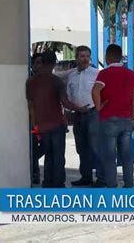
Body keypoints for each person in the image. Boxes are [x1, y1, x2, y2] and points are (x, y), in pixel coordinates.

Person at [26, 50, 89, 188]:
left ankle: (47, 182)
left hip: (41, 125)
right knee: (58, 157)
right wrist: (81, 109)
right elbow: (65, 102)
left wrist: (34, 123)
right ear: (54, 62)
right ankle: (58, 183)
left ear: (41, 63)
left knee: (48, 156)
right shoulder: (56, 81)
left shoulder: (30, 82)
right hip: (56, 124)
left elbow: (30, 106)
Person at [92, 44, 134, 188]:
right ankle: (129, 183)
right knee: (126, 154)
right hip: (126, 119)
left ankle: (112, 185)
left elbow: (95, 91)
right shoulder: (131, 74)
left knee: (109, 156)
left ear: (108, 57)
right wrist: (132, 115)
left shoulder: (104, 73)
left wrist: (99, 106)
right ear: (120, 57)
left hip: (109, 119)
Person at [66, 46, 101, 187]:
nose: (85, 59)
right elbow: (68, 94)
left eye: (87, 56)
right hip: (78, 115)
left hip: (93, 113)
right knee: (81, 147)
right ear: (76, 58)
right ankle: (86, 176)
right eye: (82, 56)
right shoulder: (72, 76)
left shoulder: (96, 74)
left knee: (95, 147)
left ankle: (101, 178)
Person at [28, 53, 44, 185]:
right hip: (33, 120)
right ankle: (34, 174)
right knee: (33, 148)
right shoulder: (29, 80)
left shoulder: (51, 79)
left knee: (45, 147)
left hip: (47, 119)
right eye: (37, 62)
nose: (40, 66)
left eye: (42, 63)